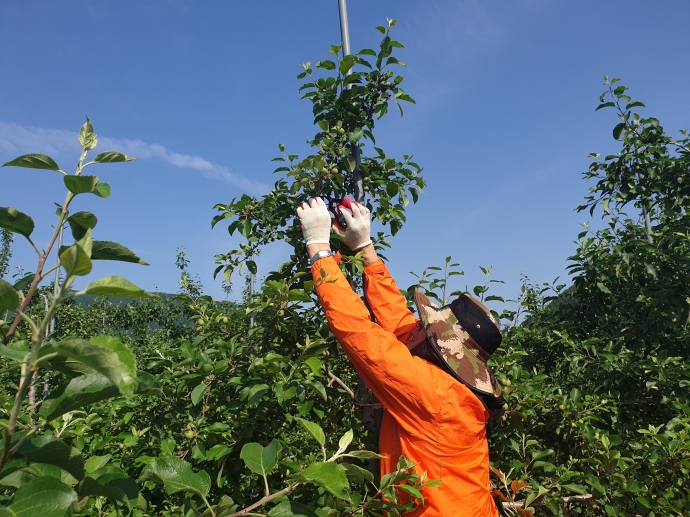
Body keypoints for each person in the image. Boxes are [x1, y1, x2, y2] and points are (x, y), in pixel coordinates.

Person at [296, 197, 506, 517]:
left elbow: (359, 333)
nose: (418, 326)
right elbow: (400, 322)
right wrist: (366, 250)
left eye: (428, 327)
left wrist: (319, 249)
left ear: (440, 346)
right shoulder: (453, 382)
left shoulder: (432, 392)